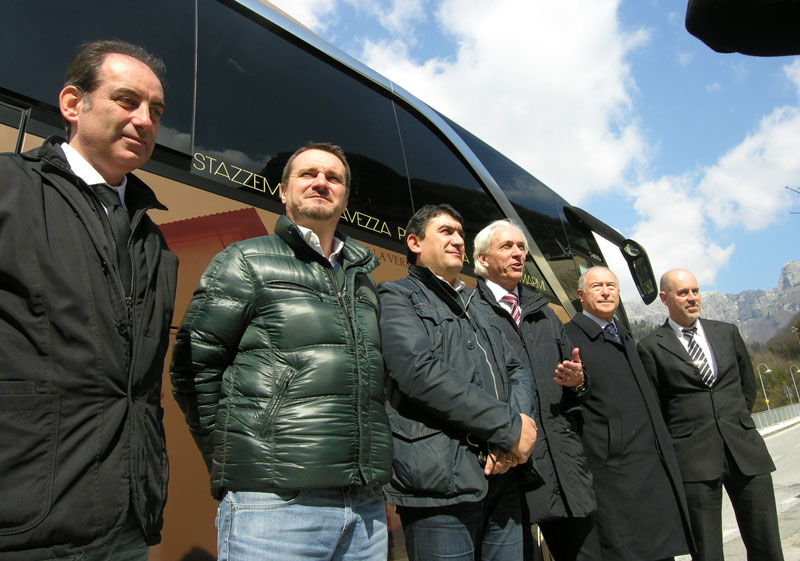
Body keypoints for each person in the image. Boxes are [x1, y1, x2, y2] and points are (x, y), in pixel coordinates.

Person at [170, 142, 393, 561]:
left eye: (334, 178)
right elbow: (193, 368)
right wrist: (237, 459)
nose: (321, 183)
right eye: (308, 174)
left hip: (364, 509)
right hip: (274, 505)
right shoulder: (244, 260)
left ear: (345, 197)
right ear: (284, 191)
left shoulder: (363, 280)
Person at [0, 40, 178, 560]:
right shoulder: (10, 189)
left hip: (128, 521)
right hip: (28, 523)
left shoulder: (153, 239)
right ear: (73, 104)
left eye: (157, 110)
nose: (145, 120)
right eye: (127, 101)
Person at [378, 204, 538, 561]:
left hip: (504, 477)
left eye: (461, 234)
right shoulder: (395, 296)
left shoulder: (478, 304)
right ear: (415, 243)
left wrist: (513, 436)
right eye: (446, 231)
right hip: (440, 486)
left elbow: (518, 369)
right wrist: (508, 428)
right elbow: (418, 372)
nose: (457, 240)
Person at [473, 220, 600, 561]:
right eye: (507, 246)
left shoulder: (543, 311)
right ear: (483, 259)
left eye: (521, 247)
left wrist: (578, 381)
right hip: (511, 464)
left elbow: (576, 386)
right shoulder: (470, 310)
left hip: (563, 461)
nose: (518, 253)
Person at [638, 268, 784, 561]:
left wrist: (737, 422)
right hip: (693, 461)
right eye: (683, 293)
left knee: (766, 544)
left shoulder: (727, 332)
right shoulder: (651, 347)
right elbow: (656, 407)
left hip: (745, 451)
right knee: (706, 552)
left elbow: (747, 386)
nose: (692, 298)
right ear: (665, 298)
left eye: (695, 291)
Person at [564, 266, 693, 561]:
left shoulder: (623, 334)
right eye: (597, 286)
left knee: (660, 548)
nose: (606, 291)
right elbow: (570, 395)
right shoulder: (570, 337)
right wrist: (579, 384)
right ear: (581, 295)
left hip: (649, 459)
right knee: (629, 549)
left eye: (612, 286)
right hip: (614, 466)